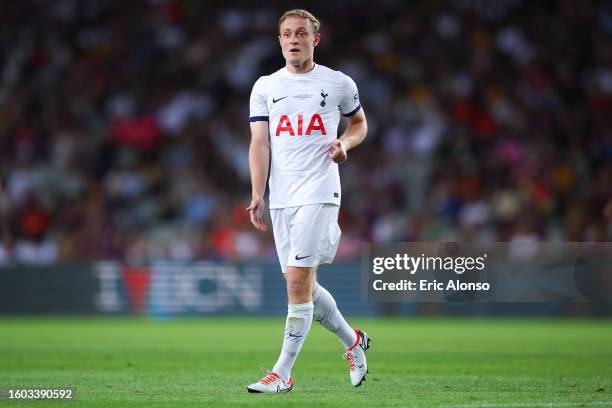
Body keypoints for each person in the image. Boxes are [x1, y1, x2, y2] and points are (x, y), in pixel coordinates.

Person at [246, 9, 370, 394]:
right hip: (282, 197)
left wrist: (344, 143)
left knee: (298, 281)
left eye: (301, 33)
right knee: (304, 285)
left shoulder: (337, 83)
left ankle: (282, 373)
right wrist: (257, 192)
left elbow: (360, 124)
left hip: (320, 191)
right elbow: (260, 142)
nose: (294, 39)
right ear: (279, 40)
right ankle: (353, 341)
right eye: (287, 33)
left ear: (316, 39)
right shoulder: (265, 86)